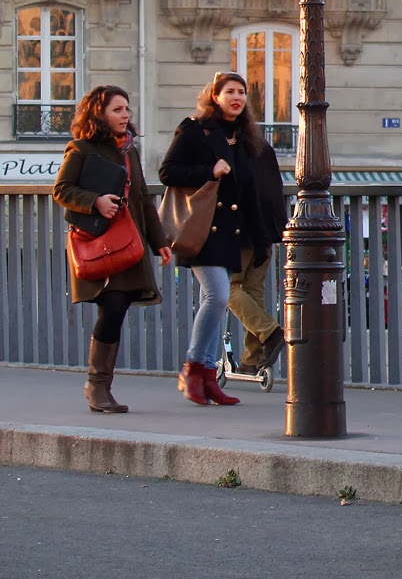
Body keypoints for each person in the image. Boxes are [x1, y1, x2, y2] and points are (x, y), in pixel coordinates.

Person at [52, 86, 173, 413]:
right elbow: (61, 189)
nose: (125, 116)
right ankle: (97, 385)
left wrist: (160, 241)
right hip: (100, 242)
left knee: (116, 309)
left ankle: (99, 387)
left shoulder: (128, 150)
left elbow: (143, 198)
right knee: (114, 305)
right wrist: (96, 202)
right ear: (99, 114)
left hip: (128, 241)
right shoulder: (81, 149)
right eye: (118, 110)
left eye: (126, 110)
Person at [160, 71, 270, 407]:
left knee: (218, 300)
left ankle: (208, 377)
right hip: (202, 230)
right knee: (218, 295)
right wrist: (209, 171)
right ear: (215, 96)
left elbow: (250, 193)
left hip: (233, 234)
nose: (237, 98)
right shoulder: (195, 129)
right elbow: (168, 171)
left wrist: (262, 239)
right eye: (229, 92)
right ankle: (193, 368)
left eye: (242, 92)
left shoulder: (246, 138)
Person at [226, 137, 287, 374]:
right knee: (253, 291)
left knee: (228, 288)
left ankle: (269, 331)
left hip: (240, 230)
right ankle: (252, 359)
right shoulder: (263, 147)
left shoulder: (230, 148)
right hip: (266, 230)